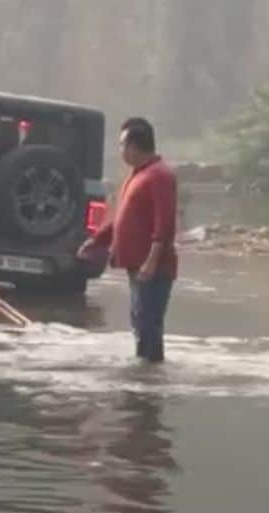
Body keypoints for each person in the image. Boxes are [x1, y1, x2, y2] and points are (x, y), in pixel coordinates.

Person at [79, 117, 179, 363]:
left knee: (148, 326)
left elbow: (164, 225)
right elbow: (121, 220)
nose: (121, 150)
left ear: (135, 145)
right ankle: (145, 374)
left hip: (152, 268)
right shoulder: (137, 176)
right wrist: (96, 241)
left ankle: (150, 379)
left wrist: (151, 262)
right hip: (138, 267)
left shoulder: (160, 176)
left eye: (123, 144)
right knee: (140, 323)